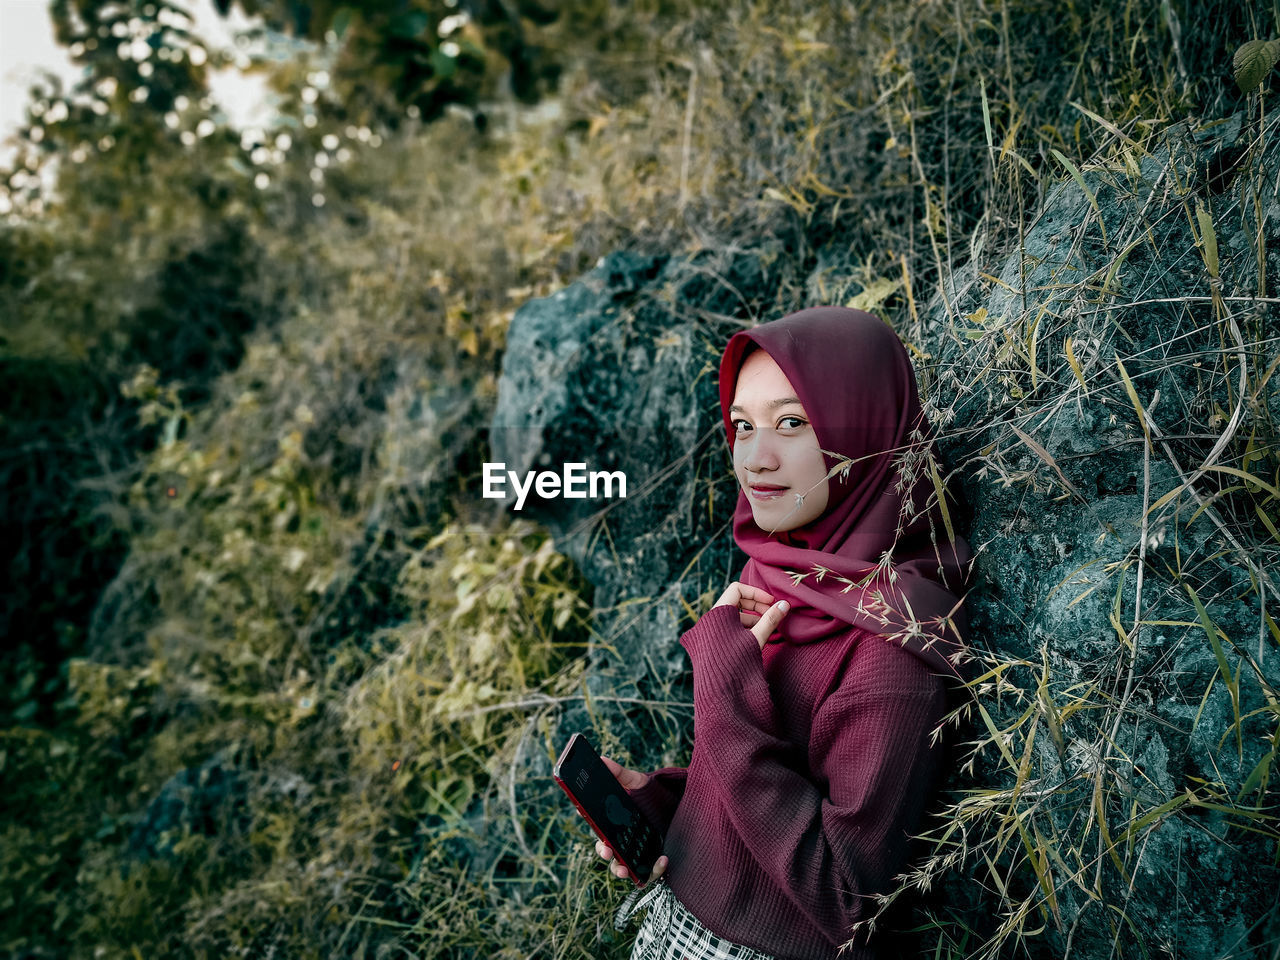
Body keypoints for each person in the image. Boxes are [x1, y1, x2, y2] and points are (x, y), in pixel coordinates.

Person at [591, 306, 976, 960]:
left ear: (864, 428)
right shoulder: (780, 574)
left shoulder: (891, 657)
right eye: (742, 426)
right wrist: (664, 810)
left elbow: (847, 900)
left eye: (791, 424)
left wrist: (723, 685)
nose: (756, 459)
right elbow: (762, 784)